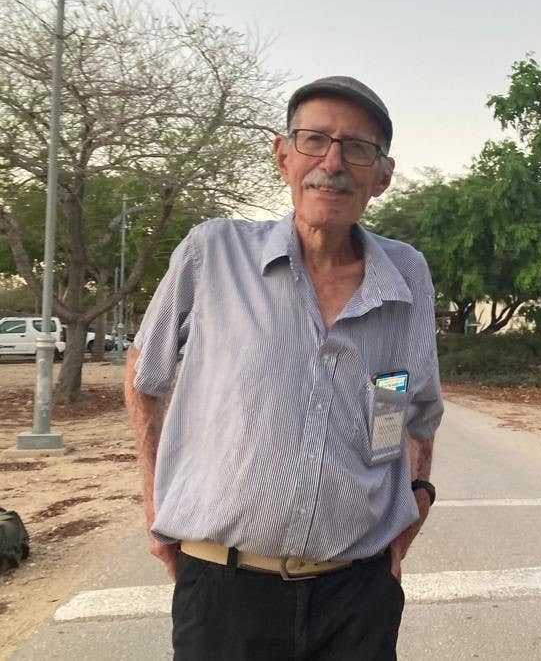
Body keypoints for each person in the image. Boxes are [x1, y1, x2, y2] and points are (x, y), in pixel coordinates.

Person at [124, 76, 443, 661]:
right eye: (314, 139)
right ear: (283, 155)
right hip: (223, 594)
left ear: (382, 176)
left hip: (356, 595)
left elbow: (403, 402)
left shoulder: (405, 274)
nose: (333, 161)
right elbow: (147, 375)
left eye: (357, 148)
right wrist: (153, 503)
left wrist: (415, 496)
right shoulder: (212, 251)